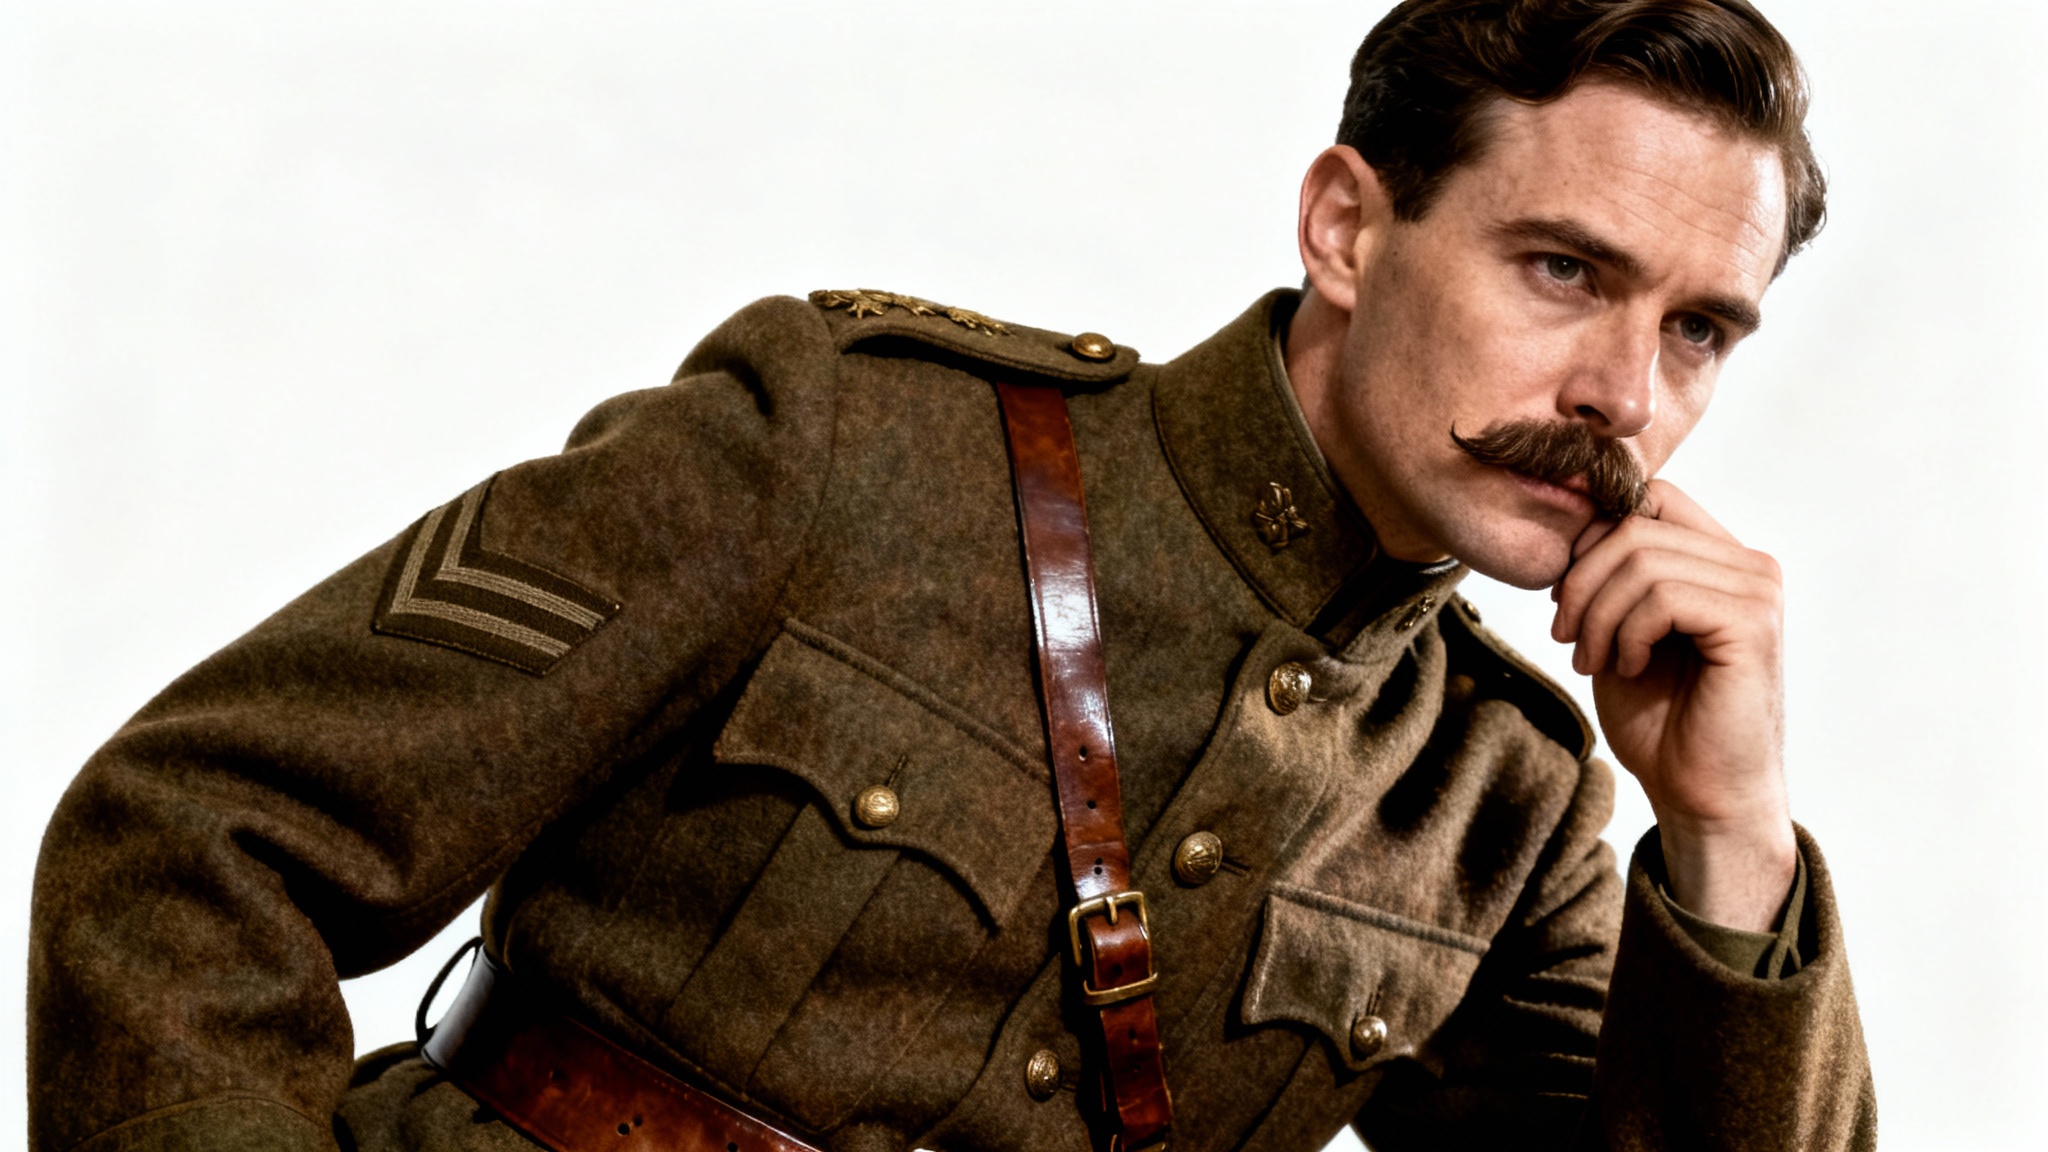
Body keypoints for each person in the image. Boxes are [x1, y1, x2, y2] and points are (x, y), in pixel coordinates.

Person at [28, 1, 1877, 1149]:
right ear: (1344, 226)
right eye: (1562, 270)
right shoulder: (846, 448)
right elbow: (193, 845)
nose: (1622, 396)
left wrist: (1730, 842)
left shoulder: (1509, 801)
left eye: (1702, 329)